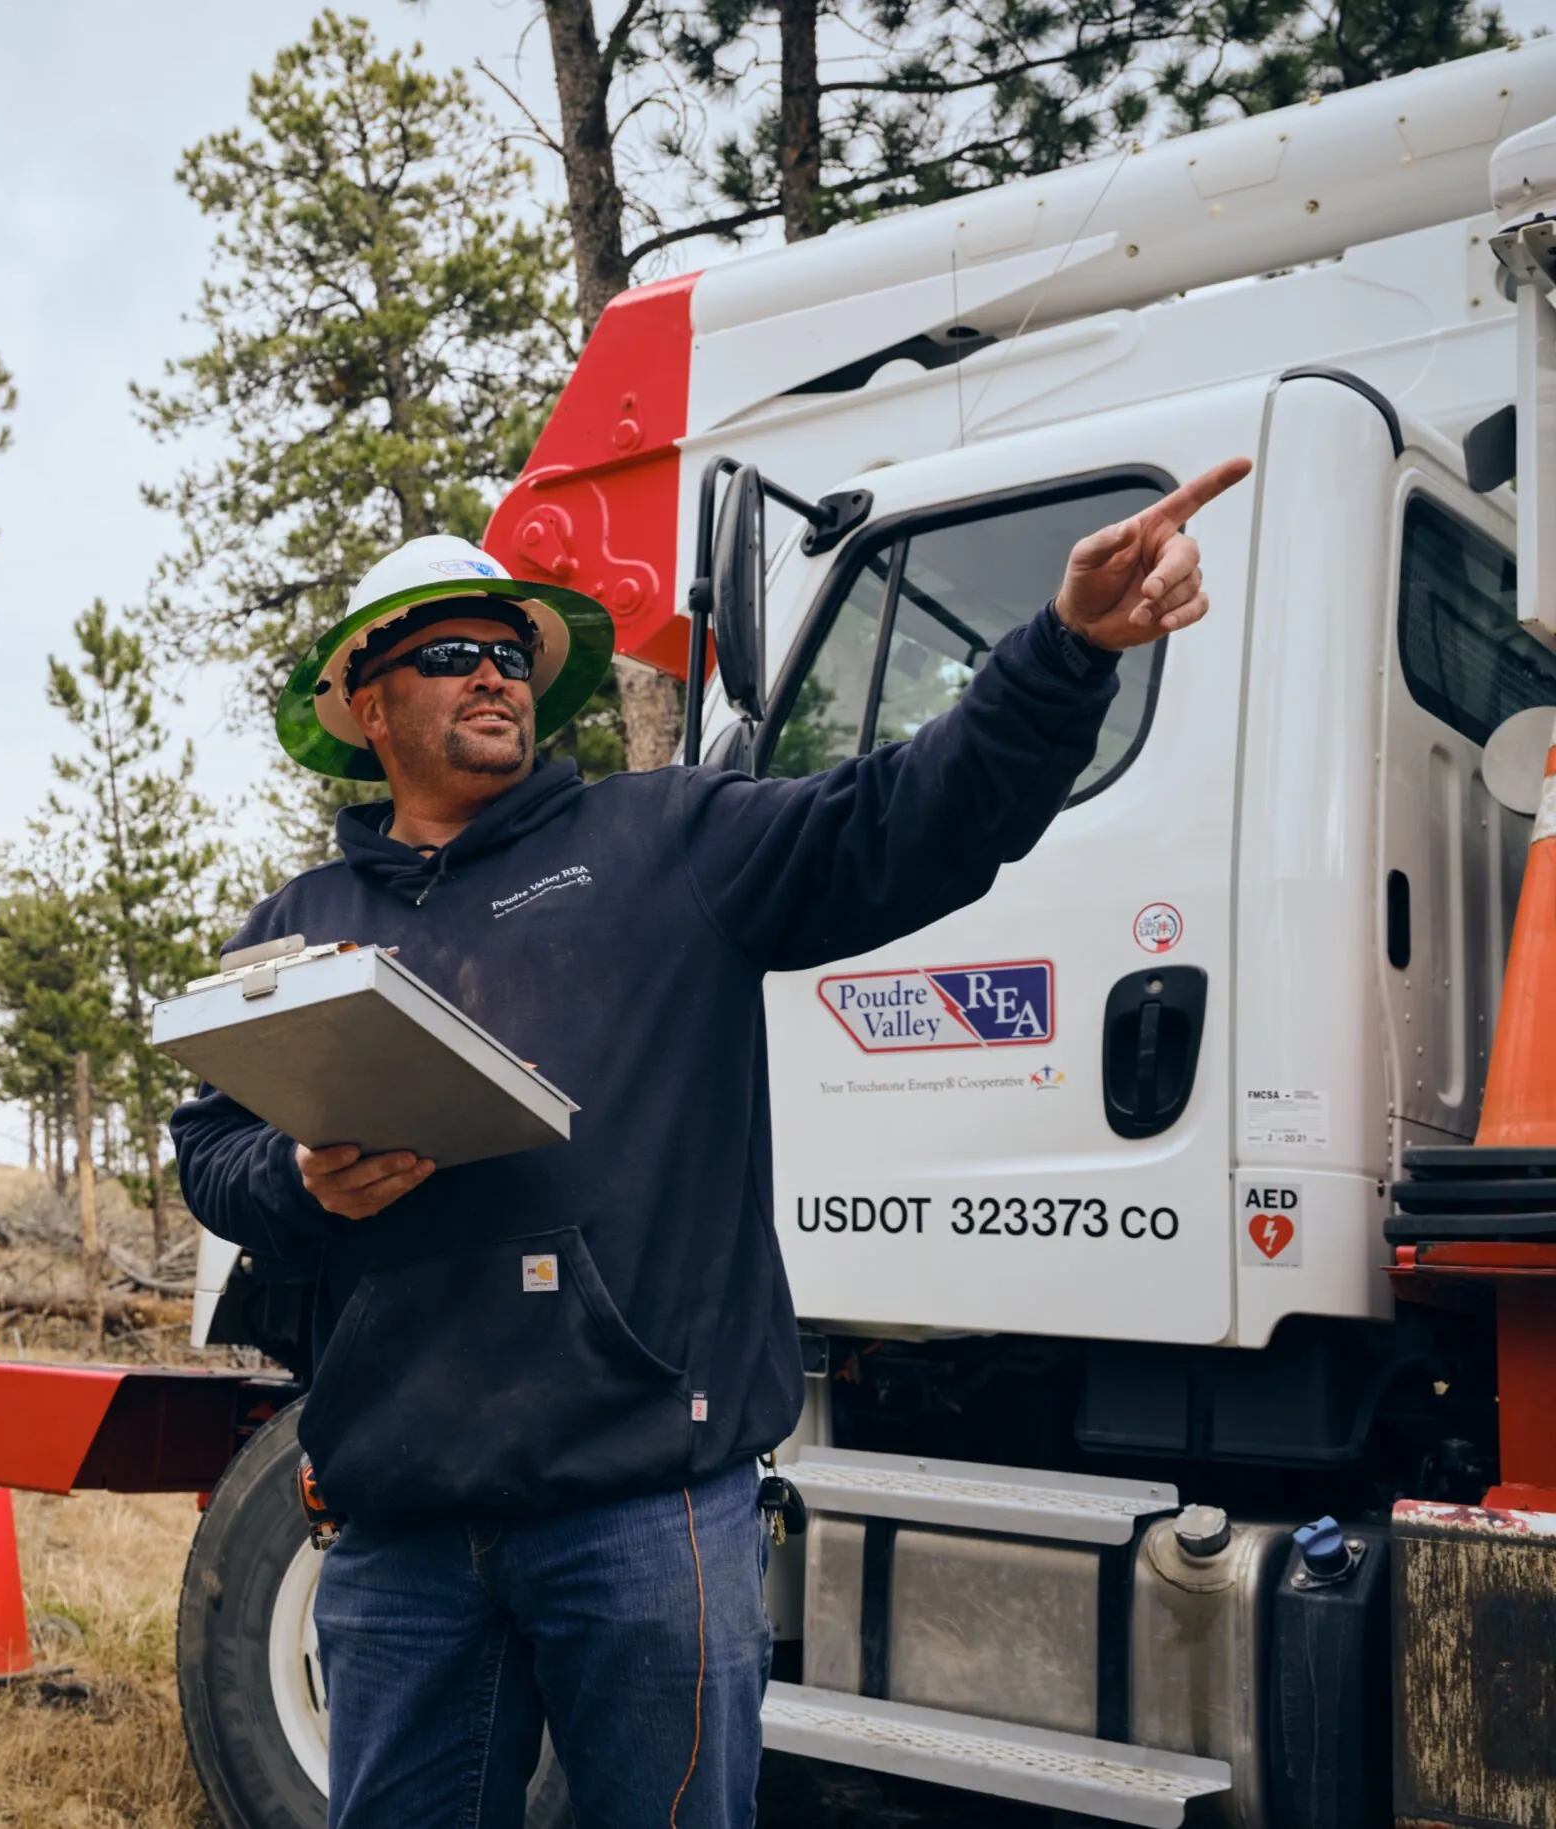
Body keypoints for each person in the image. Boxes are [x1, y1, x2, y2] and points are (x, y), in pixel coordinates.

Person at [171, 462, 1249, 1829]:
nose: (493, 673)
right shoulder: (301, 921)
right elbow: (212, 1150)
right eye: (452, 653)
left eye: (512, 653)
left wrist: (1065, 654)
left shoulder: (666, 837)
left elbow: (910, 818)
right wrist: (302, 1181)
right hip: (399, 1528)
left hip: (642, 1511)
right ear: (367, 705)